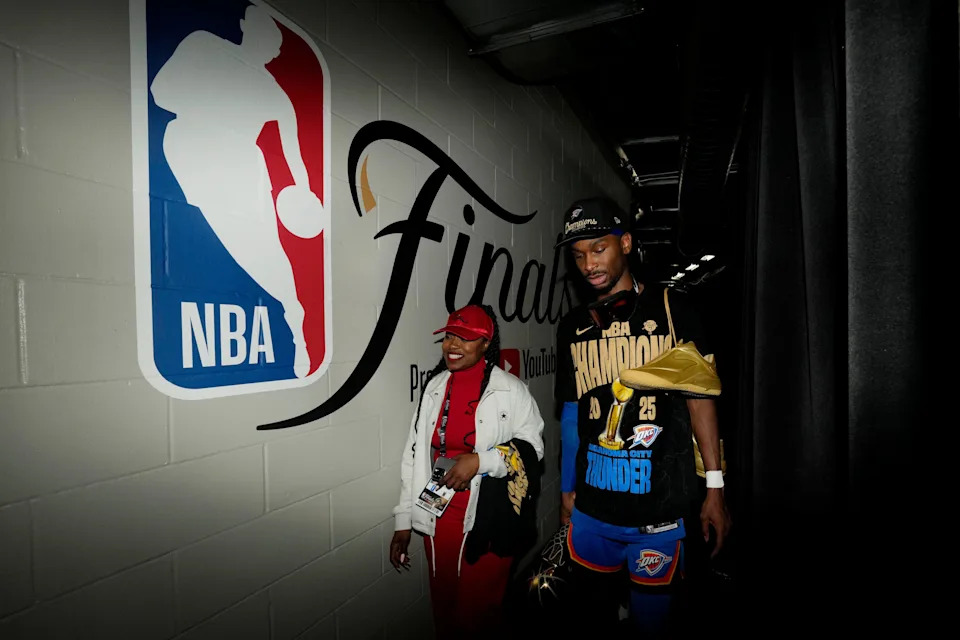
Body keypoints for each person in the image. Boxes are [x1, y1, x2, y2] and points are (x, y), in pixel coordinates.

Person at [554, 197, 731, 635]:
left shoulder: (676, 310)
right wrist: (565, 491)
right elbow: (572, 412)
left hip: (660, 515)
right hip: (593, 512)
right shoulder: (573, 326)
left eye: (599, 248)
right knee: (591, 622)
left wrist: (715, 488)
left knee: (652, 625)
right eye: (578, 255)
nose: (588, 263)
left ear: (626, 243)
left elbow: (700, 400)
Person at [390, 304, 545, 637]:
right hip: (437, 514)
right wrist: (404, 519)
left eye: (465, 338)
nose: (453, 345)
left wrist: (481, 461)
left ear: (486, 343)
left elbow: (534, 450)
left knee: (478, 616)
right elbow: (412, 455)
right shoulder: (433, 388)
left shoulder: (510, 389)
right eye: (448, 337)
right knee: (444, 611)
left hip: (488, 518)